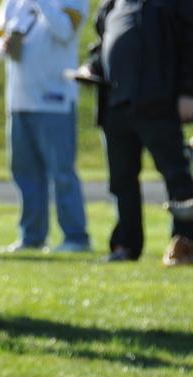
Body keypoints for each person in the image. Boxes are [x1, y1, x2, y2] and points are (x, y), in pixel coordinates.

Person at [80, 0, 193, 265]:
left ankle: (185, 243)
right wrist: (91, 67)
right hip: (115, 104)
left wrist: (188, 92)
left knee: (176, 176)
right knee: (121, 180)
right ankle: (126, 245)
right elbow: (103, 43)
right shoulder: (113, 4)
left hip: (158, 102)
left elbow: (190, 45)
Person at [0, 0, 90, 254]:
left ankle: (76, 237)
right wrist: (3, 46)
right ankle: (32, 236)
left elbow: (65, 31)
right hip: (19, 101)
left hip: (54, 100)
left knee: (62, 172)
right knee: (25, 172)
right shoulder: (12, 3)